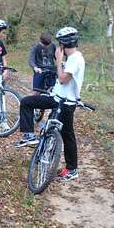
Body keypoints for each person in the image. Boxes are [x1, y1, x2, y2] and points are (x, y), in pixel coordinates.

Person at [14, 27, 84, 181]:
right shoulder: (72, 58)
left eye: (60, 44)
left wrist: (58, 61)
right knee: (27, 102)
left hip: (66, 103)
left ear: (63, 45)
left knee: (67, 135)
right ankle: (29, 135)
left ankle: (72, 169)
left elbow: (63, 78)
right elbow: (62, 82)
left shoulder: (76, 58)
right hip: (56, 98)